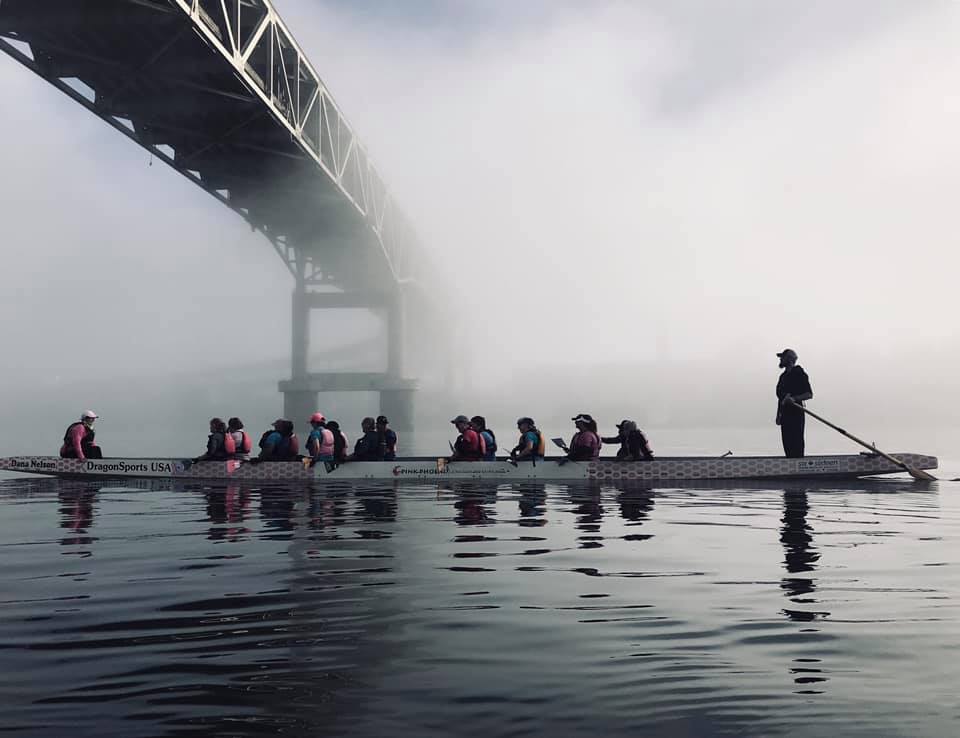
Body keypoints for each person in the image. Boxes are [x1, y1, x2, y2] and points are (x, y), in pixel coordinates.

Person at [775, 348, 813, 458]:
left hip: (796, 412)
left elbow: (809, 394)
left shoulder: (799, 373)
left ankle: (798, 464)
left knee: (796, 442)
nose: (781, 359)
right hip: (785, 414)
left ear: (789, 359)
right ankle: (790, 465)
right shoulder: (782, 377)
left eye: (782, 357)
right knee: (786, 442)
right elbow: (781, 398)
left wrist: (794, 399)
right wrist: (778, 415)